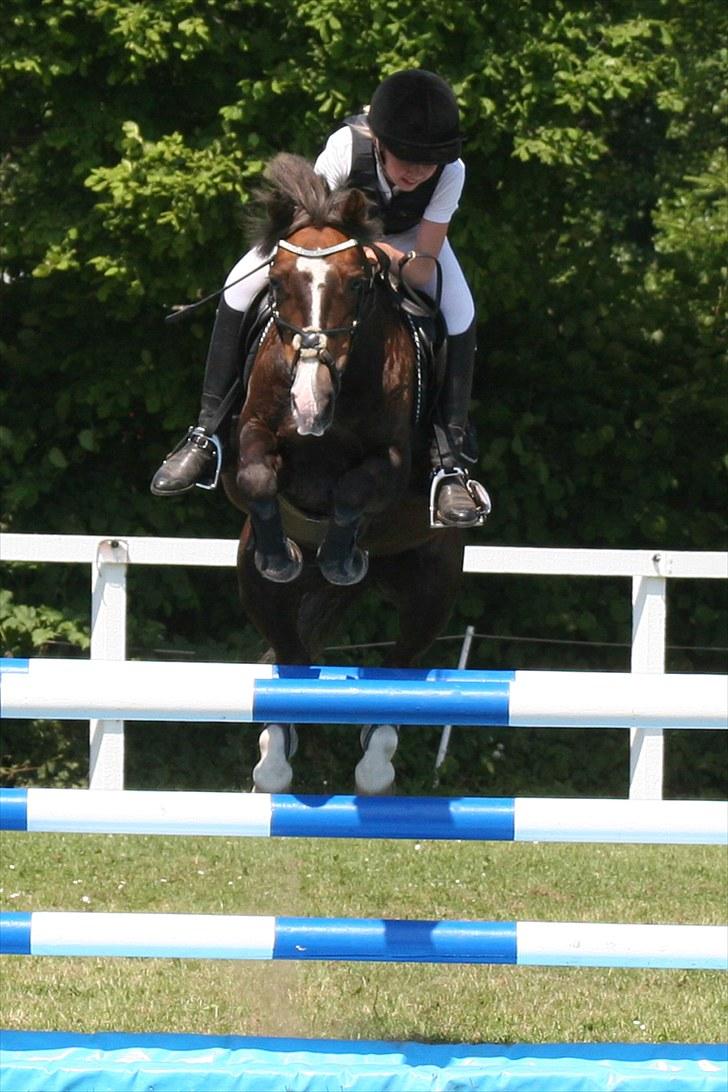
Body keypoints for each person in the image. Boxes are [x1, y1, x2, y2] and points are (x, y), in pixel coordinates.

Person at [150, 69, 490, 527]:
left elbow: (425, 261)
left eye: (426, 164)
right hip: (330, 237)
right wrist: (343, 254)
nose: (416, 173)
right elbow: (307, 222)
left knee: (460, 311)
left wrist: (376, 255)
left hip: (406, 246)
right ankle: (205, 434)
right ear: (381, 143)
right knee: (240, 282)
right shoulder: (347, 147)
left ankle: (449, 467)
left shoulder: (452, 172)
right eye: (406, 159)